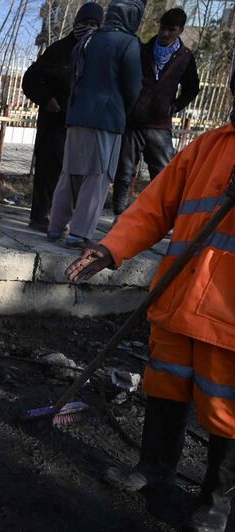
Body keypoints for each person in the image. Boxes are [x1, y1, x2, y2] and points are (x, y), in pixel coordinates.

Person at [65, 65, 235, 532]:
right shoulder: (211, 145)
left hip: (228, 315)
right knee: (163, 386)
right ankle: (154, 467)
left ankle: (217, 501)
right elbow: (155, 206)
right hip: (180, 298)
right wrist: (111, 247)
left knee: (226, 407)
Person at [47, 0, 144, 248]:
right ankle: (79, 232)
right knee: (98, 176)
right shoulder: (128, 43)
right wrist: (123, 110)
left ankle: (55, 227)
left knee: (69, 173)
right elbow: (133, 87)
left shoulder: (87, 39)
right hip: (107, 120)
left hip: (76, 116)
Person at [22, 2, 104, 232]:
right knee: (49, 168)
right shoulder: (58, 51)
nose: (87, 28)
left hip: (84, 124)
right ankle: (40, 216)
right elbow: (30, 80)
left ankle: (67, 220)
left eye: (93, 25)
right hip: (55, 122)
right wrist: (47, 99)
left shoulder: (99, 55)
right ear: (75, 23)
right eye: (83, 23)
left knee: (77, 174)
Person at [112, 7, 200, 217]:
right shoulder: (142, 49)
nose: (165, 33)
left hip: (160, 125)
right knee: (124, 173)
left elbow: (192, 88)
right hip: (133, 122)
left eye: (171, 29)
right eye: (163, 28)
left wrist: (175, 106)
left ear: (180, 30)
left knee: (162, 175)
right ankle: (119, 215)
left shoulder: (185, 57)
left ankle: (158, 217)